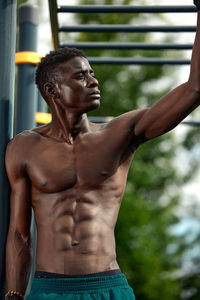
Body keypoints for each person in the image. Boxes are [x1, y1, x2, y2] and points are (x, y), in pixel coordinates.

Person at [4, 2, 200, 300]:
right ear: (52, 90)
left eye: (92, 73)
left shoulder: (121, 133)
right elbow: (19, 234)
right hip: (48, 289)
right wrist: (15, 294)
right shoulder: (24, 147)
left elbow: (194, 88)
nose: (94, 81)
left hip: (108, 287)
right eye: (81, 76)